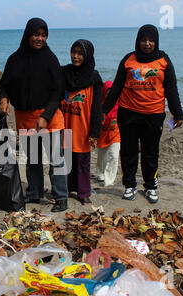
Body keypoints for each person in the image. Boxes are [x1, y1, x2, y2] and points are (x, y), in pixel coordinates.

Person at [102, 24, 183, 204]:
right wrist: (103, 111)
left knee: (151, 152)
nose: (147, 44)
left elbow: (171, 89)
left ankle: (150, 187)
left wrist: (178, 113)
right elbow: (116, 87)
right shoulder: (128, 59)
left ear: (156, 42)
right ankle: (129, 185)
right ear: (138, 41)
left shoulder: (164, 60)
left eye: (151, 40)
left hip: (153, 114)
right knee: (129, 151)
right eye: (144, 40)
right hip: (128, 113)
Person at [0, 18, 68, 212]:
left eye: (43, 35)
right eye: (36, 34)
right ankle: (34, 193)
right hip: (24, 117)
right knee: (33, 160)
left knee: (56, 159)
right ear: (28, 34)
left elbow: (58, 91)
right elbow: (4, 85)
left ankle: (61, 198)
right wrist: (4, 100)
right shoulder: (15, 59)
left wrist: (45, 116)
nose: (40, 39)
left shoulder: (50, 59)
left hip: (50, 117)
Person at [61, 39, 103, 205]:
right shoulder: (63, 73)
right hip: (65, 123)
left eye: (80, 53)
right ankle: (65, 188)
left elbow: (97, 109)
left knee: (82, 161)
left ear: (87, 56)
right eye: (74, 52)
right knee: (65, 159)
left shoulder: (94, 78)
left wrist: (94, 132)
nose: (76, 56)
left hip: (83, 126)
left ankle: (83, 192)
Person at [95, 80, 121, 187]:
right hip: (102, 135)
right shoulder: (98, 105)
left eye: (112, 91)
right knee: (101, 157)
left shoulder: (119, 103)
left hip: (115, 134)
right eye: (107, 91)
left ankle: (109, 180)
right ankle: (100, 173)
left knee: (114, 156)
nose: (109, 94)